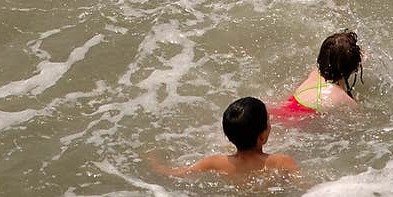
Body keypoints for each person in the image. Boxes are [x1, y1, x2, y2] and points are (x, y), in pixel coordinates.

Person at [153, 97, 298, 178]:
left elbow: (175, 173)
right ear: (261, 137)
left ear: (228, 136)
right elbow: (307, 190)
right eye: (268, 120)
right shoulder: (281, 162)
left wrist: (154, 162)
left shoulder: (214, 163)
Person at [272, 29, 363, 121]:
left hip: (282, 111)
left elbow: (332, 58)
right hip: (297, 122)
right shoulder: (345, 100)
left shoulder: (315, 74)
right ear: (354, 67)